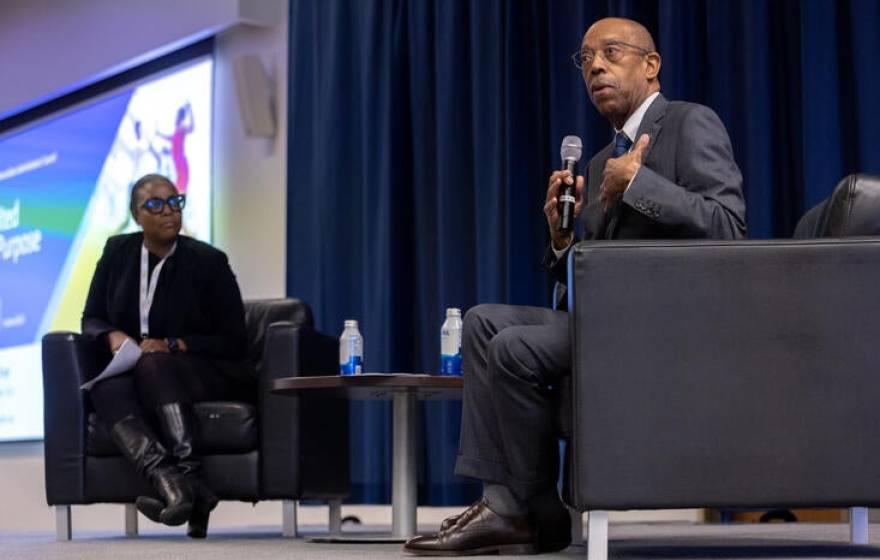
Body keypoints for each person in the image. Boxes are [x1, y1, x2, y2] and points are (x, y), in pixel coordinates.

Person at [404, 17, 747, 556]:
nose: (595, 67)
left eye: (610, 53)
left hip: (666, 326)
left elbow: (728, 227)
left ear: (651, 65)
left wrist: (639, 182)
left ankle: (530, 512)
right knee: (482, 321)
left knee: (513, 346)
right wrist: (562, 240)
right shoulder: (600, 160)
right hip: (606, 319)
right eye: (585, 59)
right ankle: (508, 503)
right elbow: (589, 271)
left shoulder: (689, 123)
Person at [82, 173, 253, 539]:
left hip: (205, 369)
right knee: (105, 388)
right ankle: (174, 484)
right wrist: (112, 335)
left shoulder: (208, 261)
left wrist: (174, 344)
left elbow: (234, 339)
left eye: (175, 202)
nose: (168, 211)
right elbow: (91, 318)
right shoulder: (117, 252)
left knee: (154, 363)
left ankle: (188, 477)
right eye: (156, 205)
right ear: (136, 214)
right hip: (139, 367)